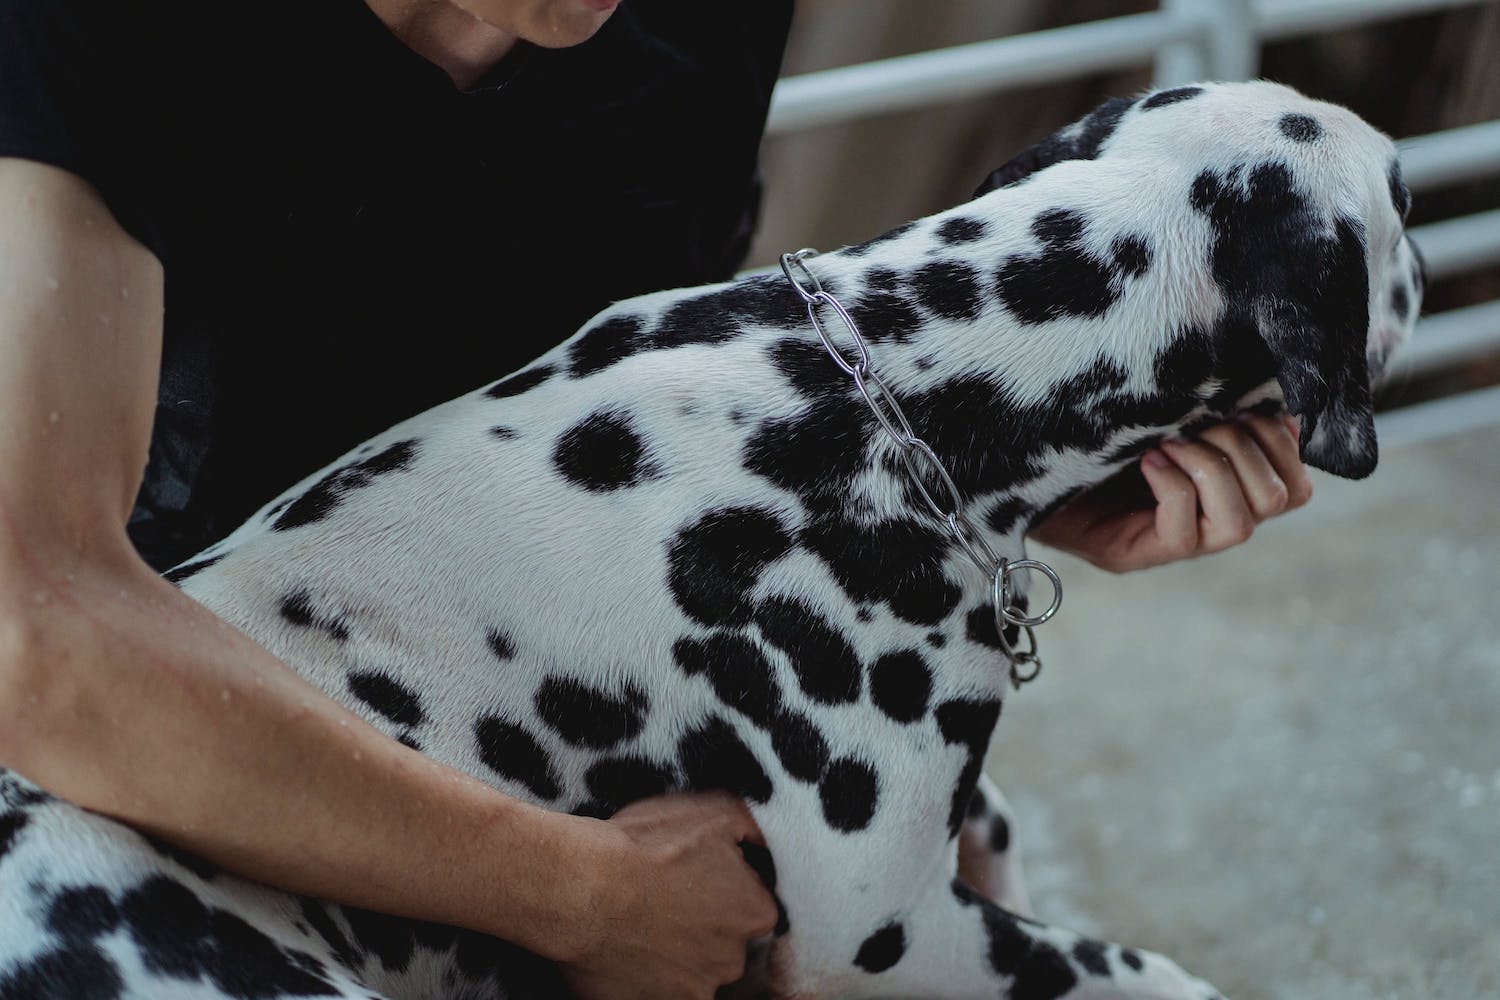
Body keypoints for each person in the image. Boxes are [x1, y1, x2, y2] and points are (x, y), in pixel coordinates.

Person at [0, 0, 1312, 997]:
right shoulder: (87, 29)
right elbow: (42, 637)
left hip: (569, 714)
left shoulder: (700, 23)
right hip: (154, 775)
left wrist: (1004, 478)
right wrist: (583, 896)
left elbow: (687, 409)